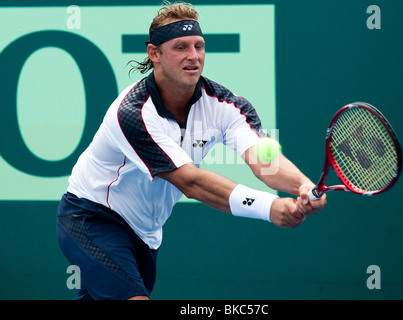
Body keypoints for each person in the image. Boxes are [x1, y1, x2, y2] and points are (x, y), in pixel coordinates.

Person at [57, 1, 327, 300]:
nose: (193, 56)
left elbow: (264, 159)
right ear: (154, 54)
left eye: (199, 46)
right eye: (181, 47)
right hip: (92, 217)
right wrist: (270, 207)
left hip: (146, 235)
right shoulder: (133, 113)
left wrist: (301, 185)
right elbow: (191, 182)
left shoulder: (227, 105)